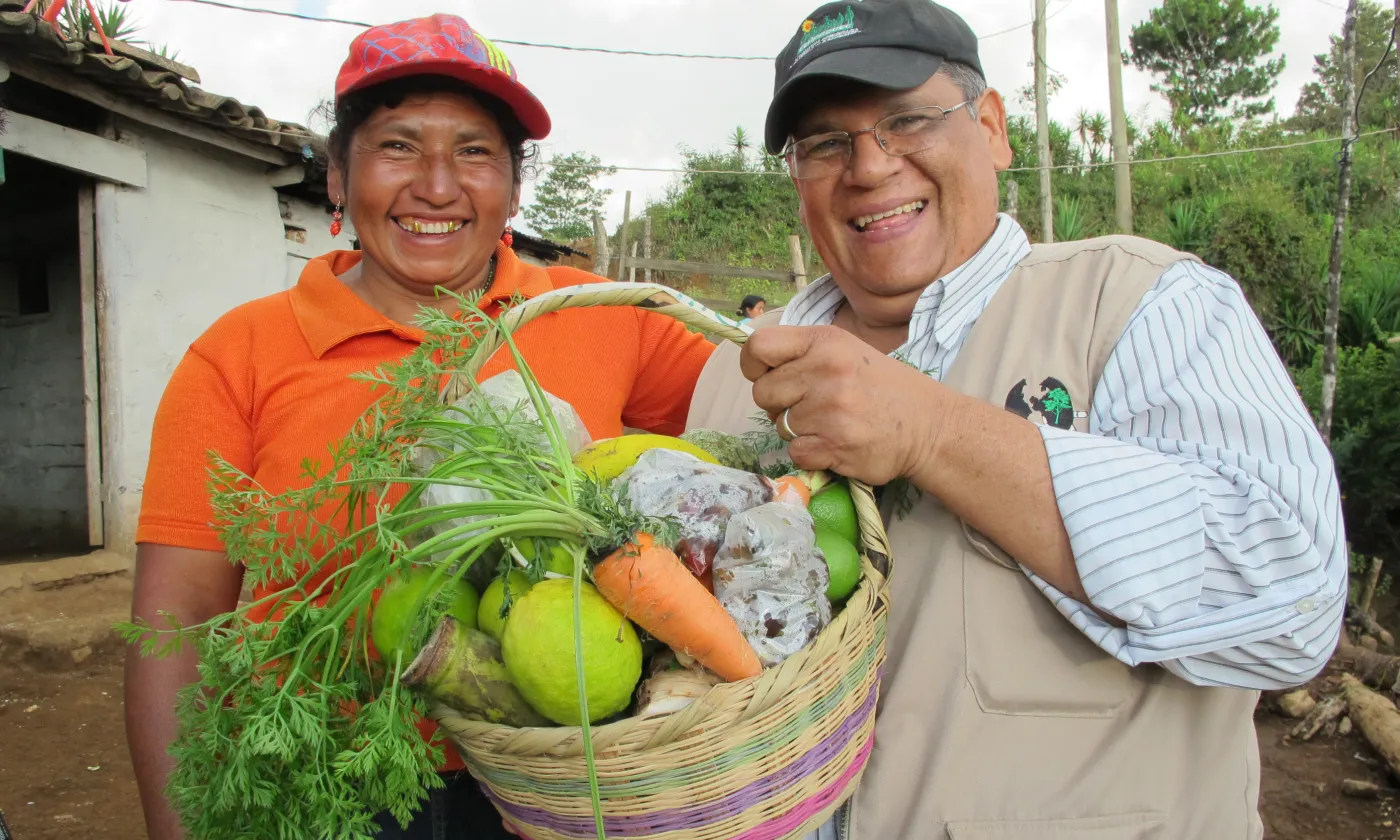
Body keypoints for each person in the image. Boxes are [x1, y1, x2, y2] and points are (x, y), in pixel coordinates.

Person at [687, 1, 1346, 837]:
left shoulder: (1139, 302)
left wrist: (931, 432)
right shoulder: (730, 376)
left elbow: (1290, 606)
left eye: (906, 119)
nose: (869, 165)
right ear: (798, 176)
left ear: (992, 128)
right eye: (826, 142)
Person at [124, 14, 714, 840]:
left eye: (474, 151)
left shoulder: (605, 317)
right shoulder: (241, 354)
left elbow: (759, 427)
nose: (436, 186)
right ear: (336, 175)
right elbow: (177, 620)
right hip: (314, 781)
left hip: (568, 788)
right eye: (398, 145)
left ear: (513, 188)